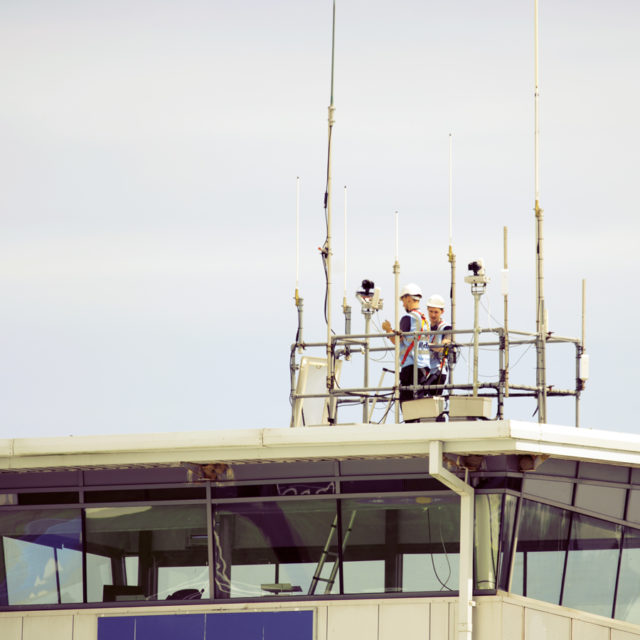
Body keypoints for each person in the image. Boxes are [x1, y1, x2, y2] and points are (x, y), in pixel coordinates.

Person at [382, 287, 452, 402]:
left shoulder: (409, 318)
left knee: (407, 403)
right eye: (431, 311)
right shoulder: (424, 321)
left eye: (403, 300)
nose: (403, 304)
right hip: (425, 368)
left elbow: (397, 341)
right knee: (421, 403)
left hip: (414, 366)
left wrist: (388, 330)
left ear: (408, 298)